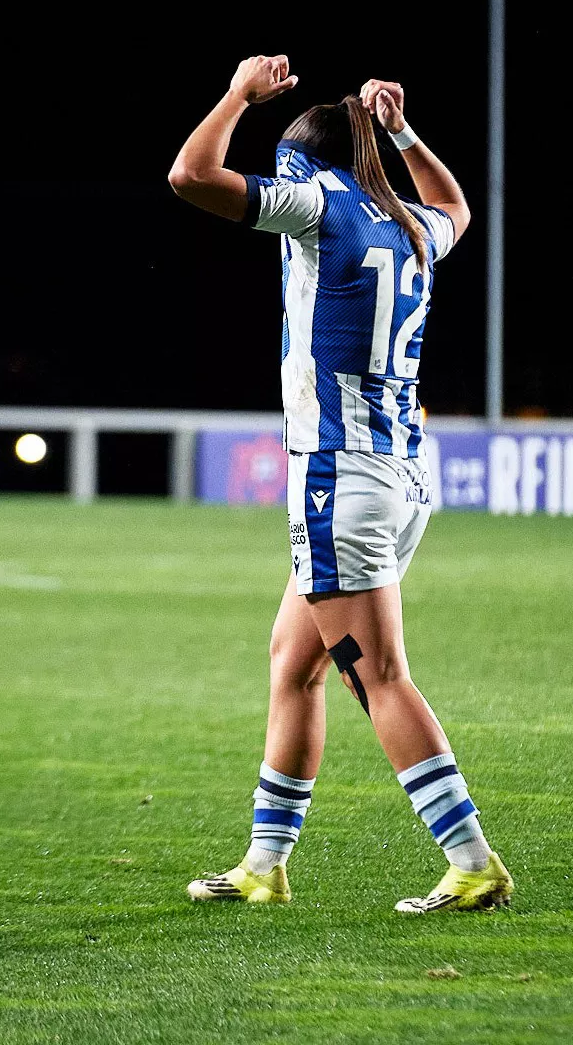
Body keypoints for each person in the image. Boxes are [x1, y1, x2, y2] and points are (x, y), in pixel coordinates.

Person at [167, 55, 513, 914]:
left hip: (340, 480)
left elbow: (190, 176)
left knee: (381, 677)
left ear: (304, 163)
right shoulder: (412, 225)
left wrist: (239, 96)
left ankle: (473, 860)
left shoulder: (319, 205)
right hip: (399, 478)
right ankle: (264, 863)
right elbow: (460, 207)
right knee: (294, 662)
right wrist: (403, 133)